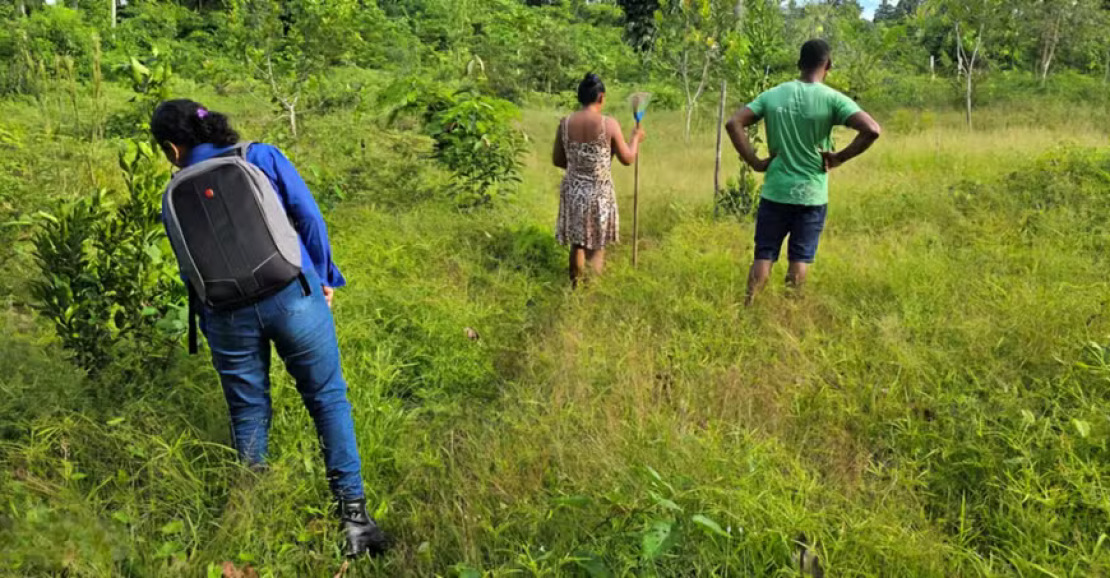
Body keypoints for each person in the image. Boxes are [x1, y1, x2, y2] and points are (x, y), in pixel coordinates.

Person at [150, 99, 389, 558]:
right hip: (292, 297)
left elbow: (189, 268)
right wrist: (322, 278)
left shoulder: (173, 191)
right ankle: (355, 520)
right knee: (327, 400)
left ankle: (254, 517)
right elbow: (310, 219)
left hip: (226, 316)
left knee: (248, 412)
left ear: (171, 148)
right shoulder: (258, 156)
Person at [726, 39, 882, 305]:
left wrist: (755, 162)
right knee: (799, 260)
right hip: (811, 195)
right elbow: (872, 129)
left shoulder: (773, 95)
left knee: (764, 254)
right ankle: (791, 316)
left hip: (775, 191)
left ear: (799, 65)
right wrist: (839, 158)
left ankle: (749, 307)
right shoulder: (833, 99)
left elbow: (734, 123)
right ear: (828, 65)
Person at [553, 72, 646, 287]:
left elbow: (558, 160)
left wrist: (579, 165)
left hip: (573, 191)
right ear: (601, 97)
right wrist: (636, 139)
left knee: (577, 244)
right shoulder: (608, 124)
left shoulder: (565, 123)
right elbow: (628, 158)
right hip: (598, 193)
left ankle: (575, 290)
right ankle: (590, 293)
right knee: (596, 245)